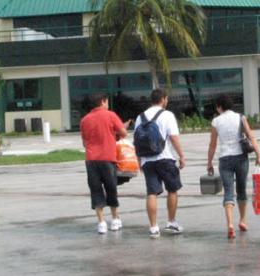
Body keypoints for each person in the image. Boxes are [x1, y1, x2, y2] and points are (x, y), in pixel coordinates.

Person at [207, 94, 260, 239]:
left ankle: (230, 224)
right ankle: (243, 221)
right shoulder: (240, 117)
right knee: (241, 189)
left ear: (219, 107)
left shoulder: (216, 121)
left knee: (228, 191)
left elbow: (212, 144)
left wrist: (209, 162)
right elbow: (250, 136)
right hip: (241, 157)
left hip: (224, 159)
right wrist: (258, 155)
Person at [134, 88, 186, 239]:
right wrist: (181, 155)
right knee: (172, 190)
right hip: (165, 158)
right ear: (163, 99)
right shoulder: (167, 115)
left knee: (151, 193)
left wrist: (139, 160)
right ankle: (171, 222)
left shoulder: (140, 117)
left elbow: (137, 140)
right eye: (167, 99)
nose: (167, 102)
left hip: (147, 160)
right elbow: (174, 138)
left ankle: (153, 227)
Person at [79, 93, 129, 234]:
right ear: (103, 101)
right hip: (107, 158)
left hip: (91, 160)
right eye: (106, 101)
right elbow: (124, 133)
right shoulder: (110, 115)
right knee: (111, 188)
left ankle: (101, 222)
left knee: (96, 190)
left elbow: (84, 142)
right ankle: (115, 219)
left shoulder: (84, 120)